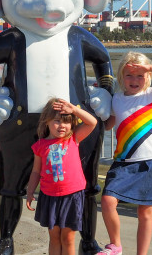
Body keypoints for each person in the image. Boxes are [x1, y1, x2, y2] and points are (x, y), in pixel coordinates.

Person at [97, 52, 152, 255]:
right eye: (129, 75)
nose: (134, 80)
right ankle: (115, 245)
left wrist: (150, 68)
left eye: (139, 75)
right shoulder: (116, 99)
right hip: (123, 162)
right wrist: (99, 99)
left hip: (150, 161)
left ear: (147, 77)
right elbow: (108, 125)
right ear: (121, 76)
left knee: (145, 213)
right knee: (108, 200)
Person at [25, 98, 99, 255]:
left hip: (72, 196)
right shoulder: (40, 145)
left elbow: (92, 122)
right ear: (47, 121)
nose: (62, 126)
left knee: (68, 238)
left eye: (66, 122)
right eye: (57, 121)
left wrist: (74, 109)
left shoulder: (73, 139)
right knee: (54, 238)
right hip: (49, 196)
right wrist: (30, 191)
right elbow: (36, 171)